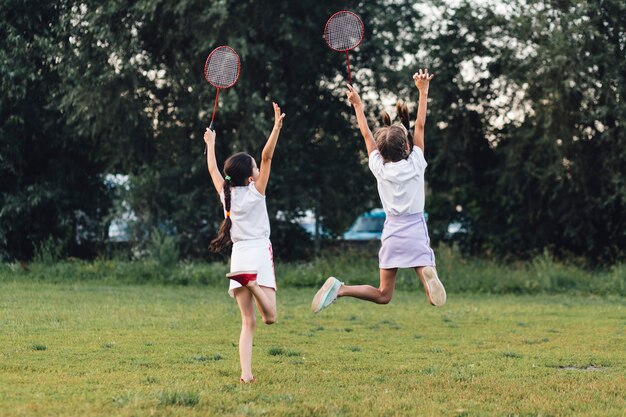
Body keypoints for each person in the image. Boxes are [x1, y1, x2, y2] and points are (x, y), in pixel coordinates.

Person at [311, 69, 446, 313]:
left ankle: (340, 289)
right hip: (415, 228)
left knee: (384, 295)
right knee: (429, 285)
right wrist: (423, 92)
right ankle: (428, 273)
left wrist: (358, 105)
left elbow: (365, 134)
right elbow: (422, 126)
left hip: (392, 232)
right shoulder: (416, 163)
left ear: (381, 153)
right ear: (407, 146)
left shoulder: (379, 168)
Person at [205, 102, 286, 383]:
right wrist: (276, 127)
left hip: (238, 256)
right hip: (259, 253)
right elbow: (267, 156)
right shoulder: (256, 192)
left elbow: (213, 169)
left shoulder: (225, 194)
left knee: (248, 322)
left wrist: (210, 142)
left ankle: (246, 375)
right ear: (251, 177)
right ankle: (251, 282)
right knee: (270, 317)